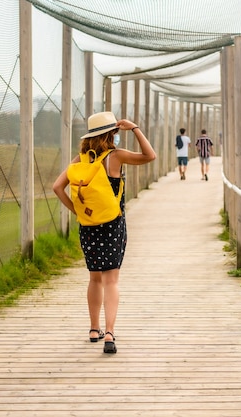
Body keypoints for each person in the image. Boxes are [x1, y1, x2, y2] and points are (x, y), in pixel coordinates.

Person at [52, 111, 156, 354]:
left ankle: (93, 328)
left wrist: (77, 211)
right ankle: (109, 332)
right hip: (112, 225)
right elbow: (150, 155)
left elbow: (57, 187)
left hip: (88, 226)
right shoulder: (115, 157)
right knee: (111, 279)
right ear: (111, 134)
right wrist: (136, 128)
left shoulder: (80, 160)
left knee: (94, 278)